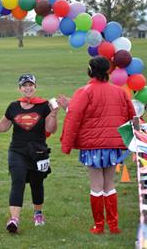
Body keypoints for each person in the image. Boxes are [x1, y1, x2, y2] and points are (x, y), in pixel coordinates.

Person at [60, 56, 135, 234]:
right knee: (109, 184)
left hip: (93, 146)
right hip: (113, 145)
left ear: (90, 70)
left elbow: (73, 118)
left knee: (96, 186)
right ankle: (114, 225)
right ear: (108, 71)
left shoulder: (84, 91)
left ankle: (99, 226)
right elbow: (131, 117)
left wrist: (66, 145)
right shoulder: (120, 92)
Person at [0, 74, 59, 233]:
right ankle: (14, 219)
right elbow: (2, 127)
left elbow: (50, 129)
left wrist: (54, 114)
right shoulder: (13, 106)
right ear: (19, 88)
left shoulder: (44, 106)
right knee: (18, 182)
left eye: (31, 85)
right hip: (17, 151)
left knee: (37, 184)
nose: (28, 88)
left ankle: (38, 214)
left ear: (35, 87)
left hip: (38, 152)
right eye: (24, 85)